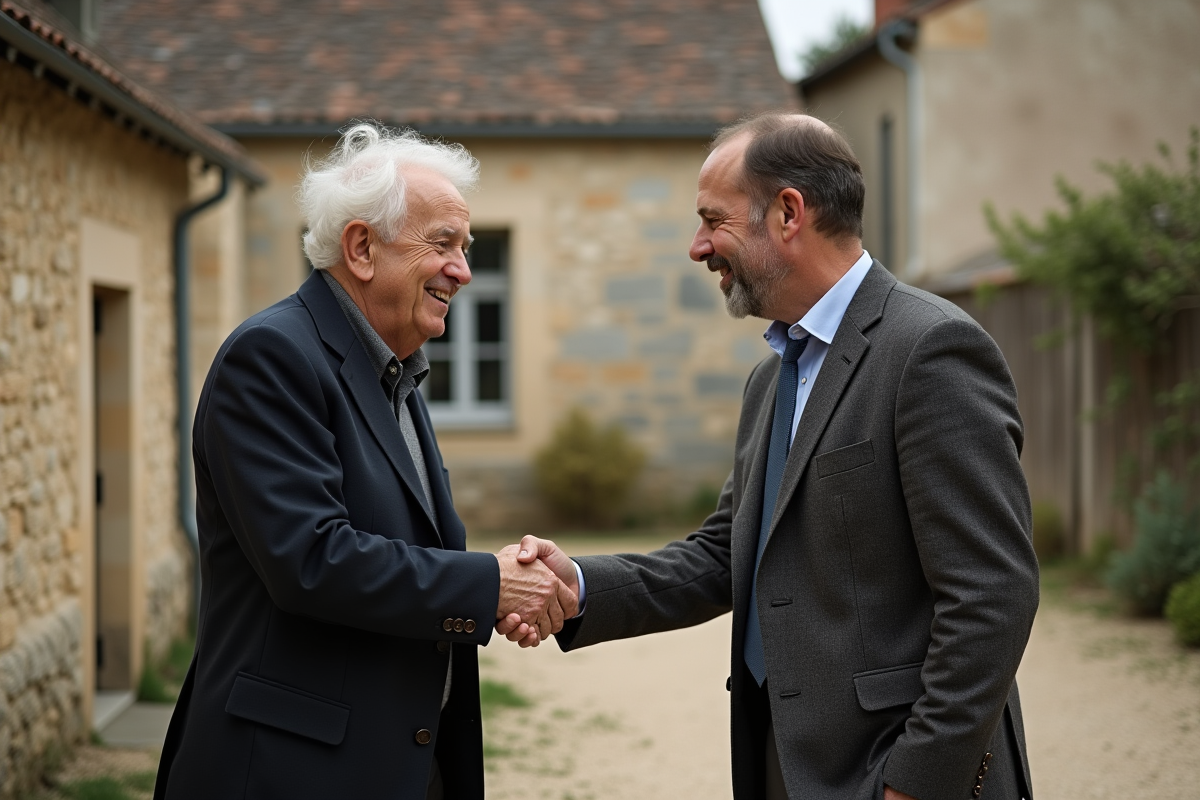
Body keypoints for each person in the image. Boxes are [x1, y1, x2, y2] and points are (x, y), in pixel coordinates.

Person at [501, 113, 1039, 800]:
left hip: (891, 773)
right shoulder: (772, 376)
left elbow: (993, 593)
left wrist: (914, 782)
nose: (697, 248)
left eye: (712, 220)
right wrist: (578, 586)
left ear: (789, 213)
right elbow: (729, 553)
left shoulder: (929, 351)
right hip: (785, 763)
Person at [154, 123, 572, 800]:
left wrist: (502, 585)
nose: (464, 270)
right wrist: (490, 586)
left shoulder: (394, 366)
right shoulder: (273, 357)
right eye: (443, 245)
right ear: (361, 248)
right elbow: (313, 561)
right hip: (289, 773)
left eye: (465, 249)